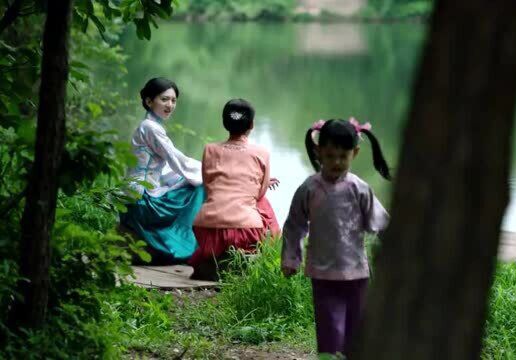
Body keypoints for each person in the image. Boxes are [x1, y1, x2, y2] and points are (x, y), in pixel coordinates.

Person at [280, 118, 391, 356]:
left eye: (343, 156)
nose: (337, 162)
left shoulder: (359, 189)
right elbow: (294, 225)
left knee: (356, 330)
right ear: (318, 152)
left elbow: (380, 222)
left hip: (357, 273)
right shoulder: (309, 189)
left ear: (355, 153)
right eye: (330, 156)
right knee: (330, 332)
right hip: (322, 273)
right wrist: (291, 258)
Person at [188, 99, 280, 280]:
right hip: (246, 231)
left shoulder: (209, 149)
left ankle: (214, 261)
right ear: (252, 125)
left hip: (206, 228)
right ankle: (251, 259)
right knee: (262, 202)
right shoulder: (262, 153)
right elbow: (259, 194)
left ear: (225, 123)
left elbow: (209, 187)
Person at [120, 77, 204, 264]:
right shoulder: (150, 128)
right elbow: (177, 160)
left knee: (190, 178)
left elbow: (167, 165)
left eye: (173, 100)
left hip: (137, 190)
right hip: (141, 198)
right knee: (199, 186)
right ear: (149, 101)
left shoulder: (149, 125)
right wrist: (210, 170)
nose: (170, 105)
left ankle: (180, 240)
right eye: (164, 99)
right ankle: (186, 244)